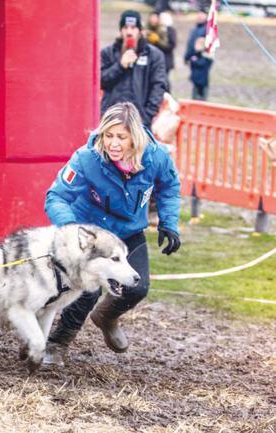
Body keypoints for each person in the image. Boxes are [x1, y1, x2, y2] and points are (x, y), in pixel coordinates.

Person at [43, 102, 181, 367]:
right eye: (108, 136)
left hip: (128, 234)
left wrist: (169, 223)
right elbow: (56, 197)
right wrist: (72, 230)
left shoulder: (156, 157)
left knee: (137, 287)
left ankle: (106, 317)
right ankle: (57, 344)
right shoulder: (86, 158)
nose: (113, 143)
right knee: (88, 291)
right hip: (92, 236)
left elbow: (170, 187)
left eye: (121, 137)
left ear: (135, 138)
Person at [100, 10, 167, 127]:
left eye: (133, 27)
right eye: (125, 27)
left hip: (140, 120)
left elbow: (158, 86)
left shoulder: (153, 55)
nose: (129, 32)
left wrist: (147, 115)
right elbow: (101, 81)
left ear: (140, 31)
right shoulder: (108, 53)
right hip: (112, 119)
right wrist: (120, 66)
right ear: (121, 31)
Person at [159, 11, 177, 90]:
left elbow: (172, 45)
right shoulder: (160, 29)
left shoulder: (170, 30)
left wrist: (159, 42)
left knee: (165, 78)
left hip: (167, 59)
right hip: (162, 58)